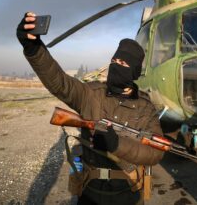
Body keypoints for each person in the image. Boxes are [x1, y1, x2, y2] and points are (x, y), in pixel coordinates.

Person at [16, 12, 164, 205]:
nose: (116, 67)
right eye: (114, 62)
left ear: (134, 71)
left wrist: (117, 144)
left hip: (128, 193)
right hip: (90, 191)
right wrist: (33, 48)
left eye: (123, 63)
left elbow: (155, 153)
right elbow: (60, 82)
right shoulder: (92, 94)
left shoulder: (146, 108)